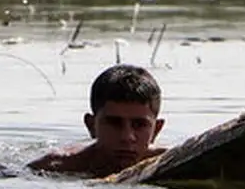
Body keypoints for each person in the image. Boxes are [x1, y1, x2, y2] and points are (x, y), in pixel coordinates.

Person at [28, 64, 166, 178]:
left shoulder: (169, 163)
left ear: (156, 129)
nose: (127, 137)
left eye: (139, 125)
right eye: (114, 123)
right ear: (91, 125)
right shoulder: (54, 166)